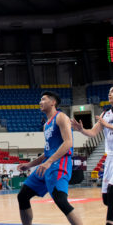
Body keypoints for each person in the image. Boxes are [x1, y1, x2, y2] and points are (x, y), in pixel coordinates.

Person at [17, 91, 82, 225]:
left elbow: (68, 143)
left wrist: (49, 162)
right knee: (22, 196)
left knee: (61, 200)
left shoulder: (61, 117)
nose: (40, 102)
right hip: (47, 164)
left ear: (53, 102)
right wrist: (29, 165)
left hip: (60, 163)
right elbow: (47, 152)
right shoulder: (46, 124)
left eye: (43, 99)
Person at [71, 86, 113, 225]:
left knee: (112, 191)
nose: (110, 95)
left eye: (112, 92)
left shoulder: (106, 120)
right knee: (106, 199)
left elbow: (107, 126)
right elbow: (93, 133)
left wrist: (107, 125)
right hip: (110, 157)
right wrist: (81, 130)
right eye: (109, 93)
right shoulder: (105, 114)